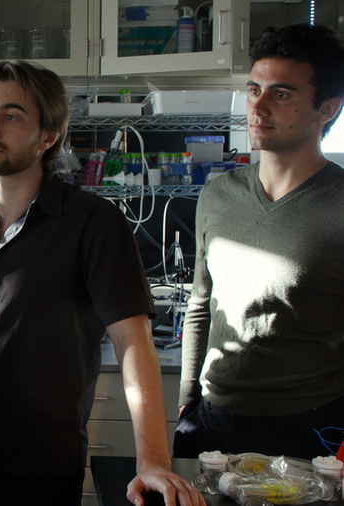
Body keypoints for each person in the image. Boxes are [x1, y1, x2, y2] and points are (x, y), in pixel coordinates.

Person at [0, 60, 204, 506]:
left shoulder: (94, 223)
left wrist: (152, 459)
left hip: (39, 465)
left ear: (48, 136)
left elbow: (134, 340)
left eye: (11, 115)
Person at [174, 24, 344, 460]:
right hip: (208, 419)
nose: (258, 106)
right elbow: (201, 302)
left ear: (327, 108)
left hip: (303, 425)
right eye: (254, 89)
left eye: (281, 94)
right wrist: (187, 399)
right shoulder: (219, 192)